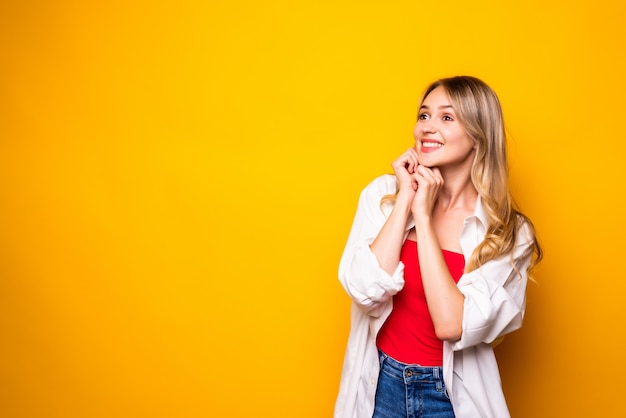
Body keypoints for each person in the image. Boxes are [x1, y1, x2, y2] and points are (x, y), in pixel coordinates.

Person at [334, 75, 542, 418]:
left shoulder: (508, 233)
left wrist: (424, 219)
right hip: (380, 385)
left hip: (448, 399)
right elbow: (363, 291)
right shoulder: (383, 196)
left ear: (478, 135)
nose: (427, 128)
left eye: (446, 118)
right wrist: (405, 202)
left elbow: (450, 324)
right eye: (423, 115)